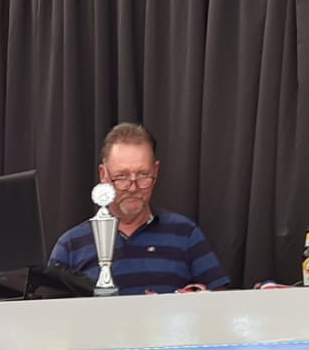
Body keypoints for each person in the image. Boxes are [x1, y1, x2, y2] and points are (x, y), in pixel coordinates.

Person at [47, 123, 231, 294]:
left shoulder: (185, 234)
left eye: (143, 175)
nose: (133, 188)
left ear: (156, 171)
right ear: (103, 174)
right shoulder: (71, 246)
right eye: (122, 176)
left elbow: (221, 302)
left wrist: (192, 300)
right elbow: (48, 312)